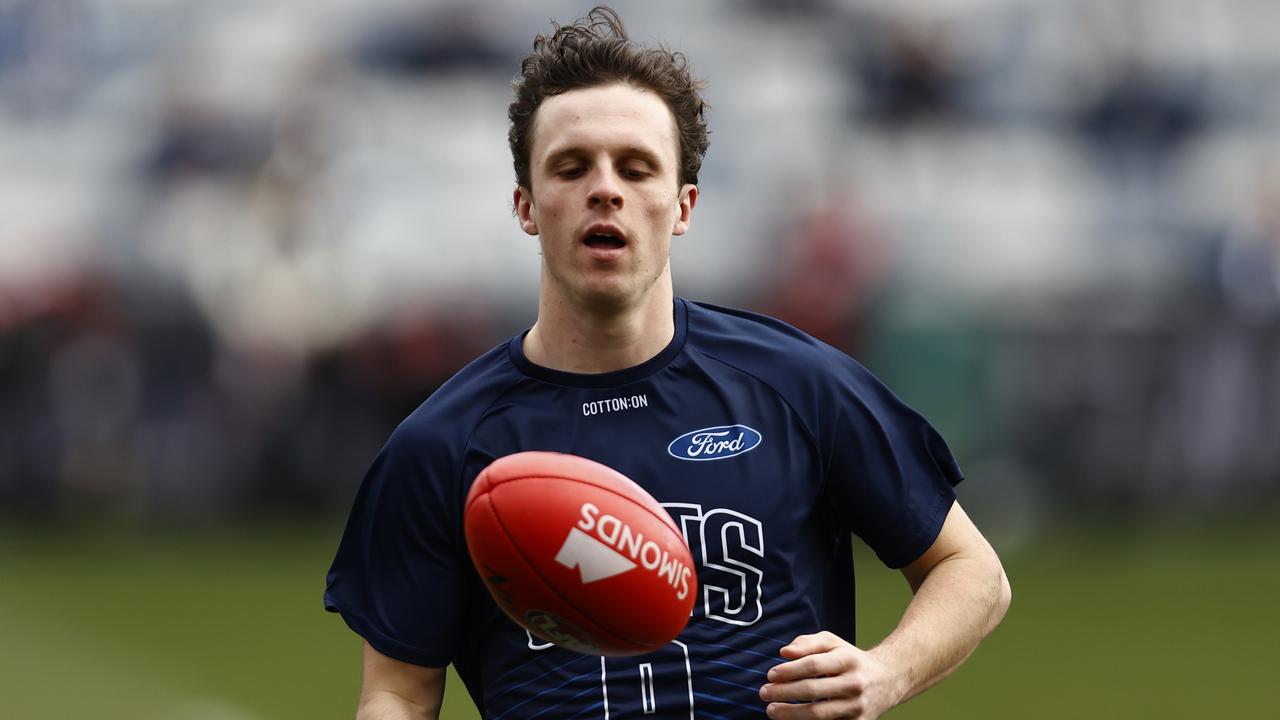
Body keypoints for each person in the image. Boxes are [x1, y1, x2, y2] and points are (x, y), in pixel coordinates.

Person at [324, 6, 1011, 719]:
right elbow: (398, 690)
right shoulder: (442, 443)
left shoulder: (797, 386)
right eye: (571, 166)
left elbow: (972, 572)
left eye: (636, 166)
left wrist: (885, 673)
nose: (605, 188)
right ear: (527, 206)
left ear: (682, 205)